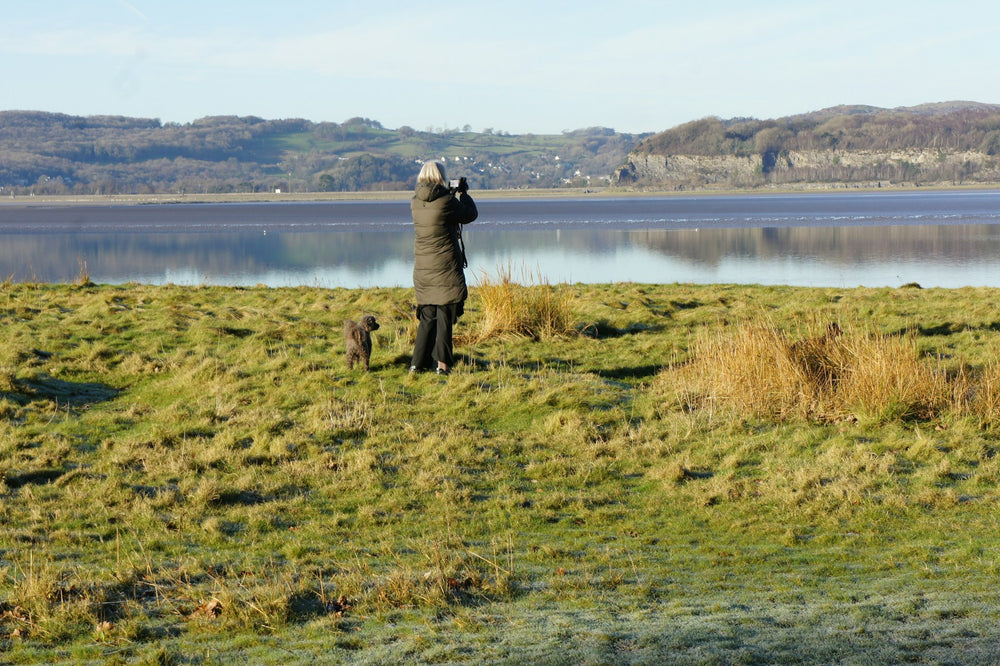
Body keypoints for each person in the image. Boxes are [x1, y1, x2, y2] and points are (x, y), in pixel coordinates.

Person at [409, 161, 478, 375]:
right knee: (445, 318)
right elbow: (469, 215)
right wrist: (463, 193)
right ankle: (443, 366)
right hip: (445, 268)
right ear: (442, 176)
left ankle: (417, 364)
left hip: (423, 268)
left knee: (427, 319)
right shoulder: (447, 201)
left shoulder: (415, 202)